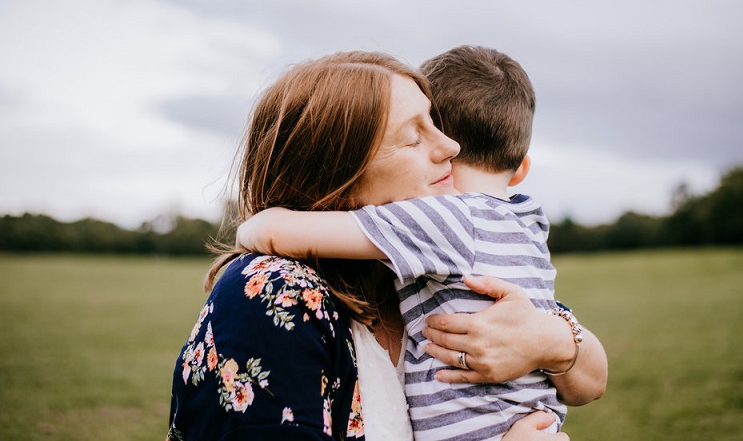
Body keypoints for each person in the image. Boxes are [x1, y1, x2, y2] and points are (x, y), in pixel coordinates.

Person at [168, 51, 605, 440]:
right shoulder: (272, 292)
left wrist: (550, 340)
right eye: (414, 136)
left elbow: (591, 375)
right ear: (340, 175)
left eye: (435, 122)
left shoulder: (434, 269)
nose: (451, 146)